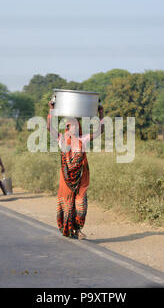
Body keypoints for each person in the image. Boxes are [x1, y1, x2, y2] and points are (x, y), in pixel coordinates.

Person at [47, 101, 104, 239]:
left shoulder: (82, 139)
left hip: (81, 177)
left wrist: (101, 113)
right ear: (67, 128)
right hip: (66, 178)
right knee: (67, 203)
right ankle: (69, 229)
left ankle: (78, 229)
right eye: (70, 126)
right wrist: (51, 109)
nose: (73, 128)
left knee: (81, 204)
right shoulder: (61, 139)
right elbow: (49, 127)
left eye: (75, 125)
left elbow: (100, 131)